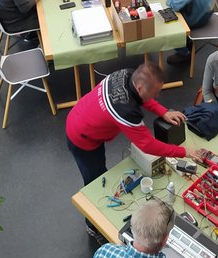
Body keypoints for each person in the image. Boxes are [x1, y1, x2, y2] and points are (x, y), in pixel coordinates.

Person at [65, 63, 196, 193]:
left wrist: (163, 112)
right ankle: (90, 211)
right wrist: (184, 152)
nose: (157, 96)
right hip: (81, 138)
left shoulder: (128, 74)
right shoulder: (126, 110)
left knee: (100, 170)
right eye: (155, 92)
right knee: (96, 181)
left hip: (82, 116)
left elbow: (141, 97)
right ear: (140, 88)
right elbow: (148, 145)